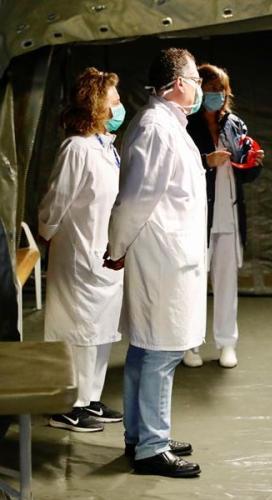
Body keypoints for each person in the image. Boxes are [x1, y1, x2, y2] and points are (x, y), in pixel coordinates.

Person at [105, 48, 205, 478]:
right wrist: (116, 247)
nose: (199, 88)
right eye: (196, 79)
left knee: (148, 349)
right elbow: (135, 198)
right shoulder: (155, 128)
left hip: (168, 253)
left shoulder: (166, 124)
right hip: (163, 256)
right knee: (161, 351)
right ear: (179, 83)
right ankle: (151, 447)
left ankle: (142, 434)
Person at [38, 67, 125, 432]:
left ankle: (89, 398)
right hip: (77, 252)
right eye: (113, 101)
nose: (120, 107)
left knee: (100, 331)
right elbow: (56, 201)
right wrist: (47, 233)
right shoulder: (76, 148)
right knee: (77, 331)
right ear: (95, 106)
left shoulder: (105, 147)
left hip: (103, 253)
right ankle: (66, 405)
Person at [184, 64, 264, 369]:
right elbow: (178, 170)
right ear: (199, 90)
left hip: (229, 216)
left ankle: (227, 343)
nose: (216, 95)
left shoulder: (234, 124)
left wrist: (254, 163)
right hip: (197, 218)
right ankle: (189, 344)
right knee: (193, 284)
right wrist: (207, 161)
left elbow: (245, 174)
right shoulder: (186, 125)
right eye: (210, 90)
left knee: (227, 284)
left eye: (220, 90)